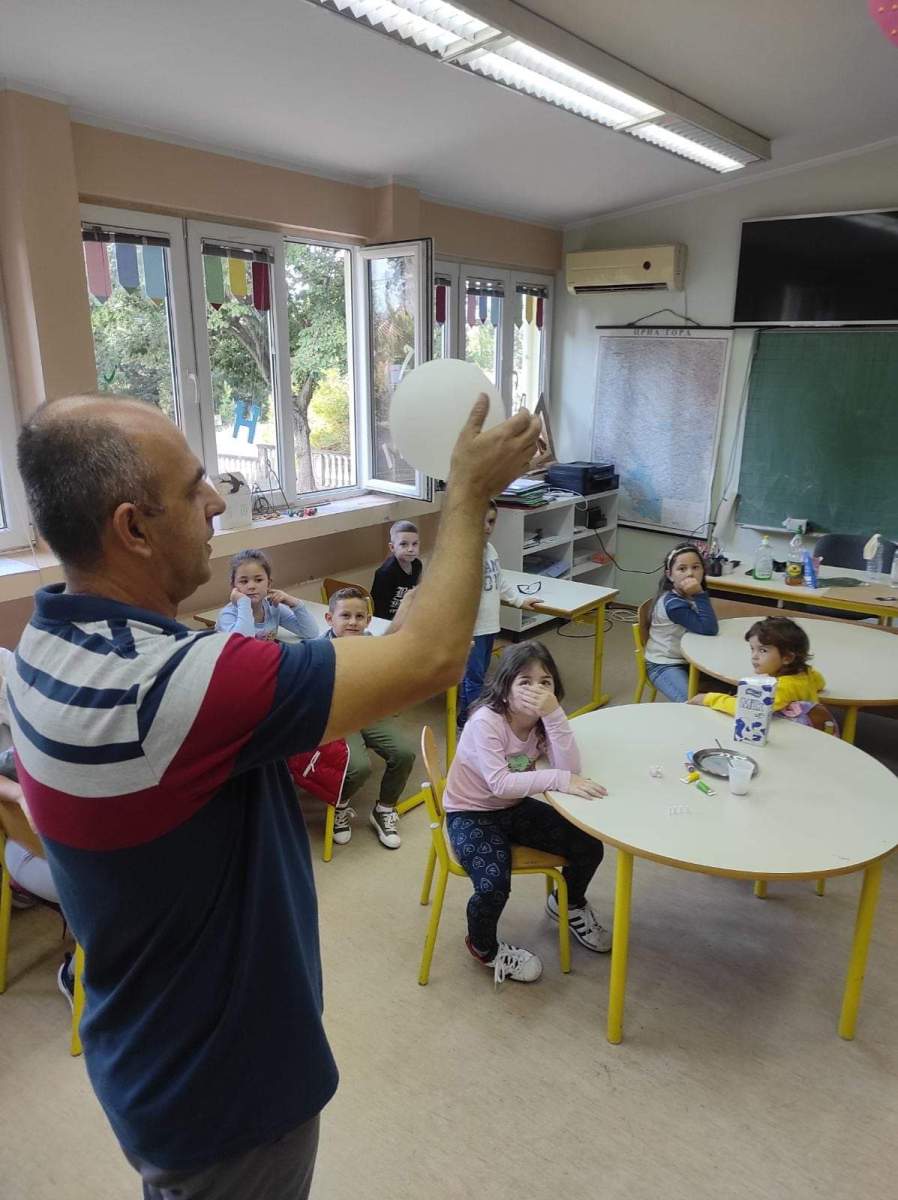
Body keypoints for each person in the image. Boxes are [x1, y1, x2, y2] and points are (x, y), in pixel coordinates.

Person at [10, 391, 540, 1198]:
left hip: (147, 1056)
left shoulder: (45, 645)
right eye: (192, 487)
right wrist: (467, 494)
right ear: (133, 528)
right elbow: (431, 654)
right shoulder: (171, 689)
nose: (216, 500)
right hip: (228, 1095)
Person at [443, 642, 610, 985]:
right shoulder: (485, 722)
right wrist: (560, 780)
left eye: (545, 682)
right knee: (492, 885)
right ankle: (483, 947)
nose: (537, 690)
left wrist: (555, 715)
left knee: (589, 846)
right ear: (504, 689)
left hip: (513, 807)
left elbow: (570, 767)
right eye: (525, 681)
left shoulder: (543, 720)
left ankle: (568, 903)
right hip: (470, 812)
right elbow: (502, 784)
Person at [0, 648, 76, 1004]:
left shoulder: (10, 663)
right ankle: (79, 975)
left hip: (49, 827)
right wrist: (18, 795)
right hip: (33, 845)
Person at [322, 587, 414, 849]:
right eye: (345, 616)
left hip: (368, 712)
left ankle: (384, 809)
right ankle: (340, 805)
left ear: (368, 620)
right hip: (339, 717)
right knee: (358, 767)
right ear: (330, 619)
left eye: (359, 617)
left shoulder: (372, 644)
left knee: (404, 754)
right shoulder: (320, 649)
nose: (353, 622)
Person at [457, 500, 540, 726]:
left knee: (478, 676)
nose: (487, 527)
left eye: (491, 521)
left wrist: (520, 601)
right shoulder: (463, 553)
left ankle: (466, 717)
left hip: (489, 624)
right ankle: (475, 724)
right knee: (474, 679)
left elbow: (499, 581)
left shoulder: (490, 550)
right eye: (481, 521)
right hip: (472, 629)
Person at [689, 616, 831, 728]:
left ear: (787, 657)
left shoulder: (782, 687)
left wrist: (709, 698)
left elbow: (746, 710)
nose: (754, 656)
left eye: (763, 650)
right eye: (752, 649)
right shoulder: (806, 672)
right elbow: (821, 684)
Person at [644, 543, 719, 702]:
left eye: (696, 567)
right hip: (664, 665)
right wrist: (700, 594)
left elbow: (708, 626)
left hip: (688, 660)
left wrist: (698, 595)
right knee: (692, 705)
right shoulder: (674, 604)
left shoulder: (688, 595)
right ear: (670, 575)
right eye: (682, 569)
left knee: (732, 686)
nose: (690, 573)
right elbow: (709, 629)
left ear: (703, 570)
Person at [216, 548, 318, 640]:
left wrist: (294, 603)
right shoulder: (228, 615)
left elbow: (310, 632)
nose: (251, 586)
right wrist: (243, 603)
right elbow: (241, 646)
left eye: (258, 580)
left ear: (268, 584)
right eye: (244, 581)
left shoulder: (273, 608)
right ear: (233, 586)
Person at [370, 520, 422, 620]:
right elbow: (379, 611)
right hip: (387, 619)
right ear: (392, 547)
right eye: (404, 544)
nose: (411, 549)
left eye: (415, 544)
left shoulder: (417, 565)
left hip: (407, 615)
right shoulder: (385, 573)